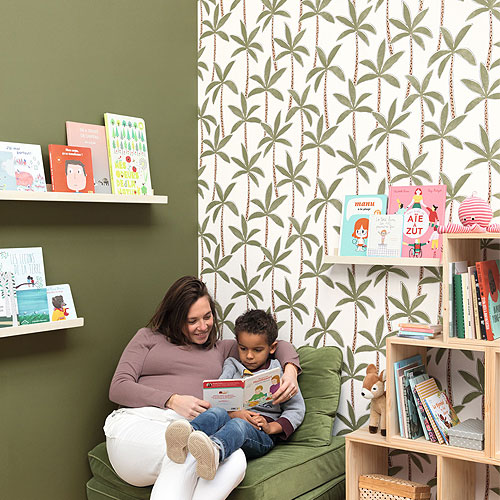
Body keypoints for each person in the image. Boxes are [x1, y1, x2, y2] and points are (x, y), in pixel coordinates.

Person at [104, 276, 300, 500]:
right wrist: (172, 400)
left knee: (235, 459)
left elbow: (275, 345)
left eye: (207, 317)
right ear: (175, 318)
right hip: (140, 423)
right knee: (188, 452)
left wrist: (290, 370)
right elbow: (118, 387)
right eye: (192, 321)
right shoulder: (147, 338)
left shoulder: (222, 349)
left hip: (195, 428)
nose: (203, 326)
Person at [165, 309, 305, 480]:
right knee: (217, 412)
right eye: (243, 348)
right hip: (231, 419)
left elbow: (296, 409)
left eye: (257, 350)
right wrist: (234, 413)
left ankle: (214, 452)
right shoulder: (231, 365)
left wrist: (271, 428)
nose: (249, 356)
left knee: (239, 424)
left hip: (261, 433)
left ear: (272, 348)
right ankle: (185, 436)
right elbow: (217, 396)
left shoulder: (279, 372)